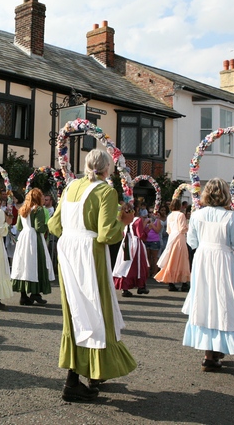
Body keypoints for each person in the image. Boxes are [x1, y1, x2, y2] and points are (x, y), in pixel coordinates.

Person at [47, 148, 137, 402]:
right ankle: (86, 376)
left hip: (67, 251)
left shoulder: (70, 187)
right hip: (89, 252)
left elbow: (54, 225)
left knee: (75, 312)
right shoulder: (107, 191)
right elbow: (107, 233)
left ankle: (80, 375)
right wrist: (124, 221)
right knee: (98, 310)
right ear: (107, 169)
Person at [183, 178, 234, 372]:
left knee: (205, 301)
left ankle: (209, 352)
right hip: (223, 260)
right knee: (223, 301)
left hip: (203, 259)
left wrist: (205, 248)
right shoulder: (230, 217)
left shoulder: (198, 215)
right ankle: (216, 350)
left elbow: (192, 241)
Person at [10, 188, 55, 306]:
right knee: (37, 263)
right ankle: (35, 293)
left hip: (24, 238)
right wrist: (48, 225)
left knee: (24, 264)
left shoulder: (22, 209)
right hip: (34, 238)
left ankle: (24, 295)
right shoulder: (38, 209)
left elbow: (19, 226)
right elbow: (39, 227)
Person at [154, 198, 191, 292]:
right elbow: (182, 228)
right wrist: (188, 227)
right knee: (182, 259)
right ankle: (184, 283)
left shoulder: (169, 216)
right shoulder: (181, 215)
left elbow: (168, 230)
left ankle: (171, 282)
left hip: (171, 238)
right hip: (179, 238)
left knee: (171, 259)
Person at [113, 206, 150, 297]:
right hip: (135, 244)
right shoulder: (137, 220)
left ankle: (124, 288)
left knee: (125, 264)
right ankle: (141, 286)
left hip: (126, 243)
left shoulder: (122, 220)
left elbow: (122, 233)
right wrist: (146, 228)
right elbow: (140, 235)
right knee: (139, 265)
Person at [143, 206, 162, 276]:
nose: (151, 214)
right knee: (147, 258)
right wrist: (146, 223)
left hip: (155, 241)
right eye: (150, 212)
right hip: (147, 240)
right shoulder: (146, 220)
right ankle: (147, 272)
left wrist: (152, 225)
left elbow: (157, 230)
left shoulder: (158, 221)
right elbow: (142, 229)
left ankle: (155, 273)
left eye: (153, 212)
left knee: (154, 258)